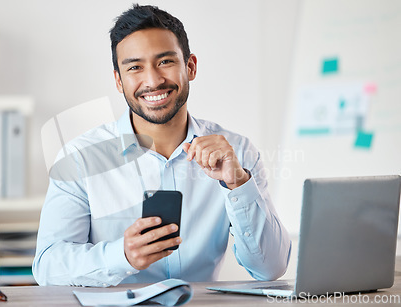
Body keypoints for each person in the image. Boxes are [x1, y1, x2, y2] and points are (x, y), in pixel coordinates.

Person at [33, 4, 291, 287]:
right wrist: (122, 256)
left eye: (165, 62)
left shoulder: (237, 153)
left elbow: (271, 268)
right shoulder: (80, 159)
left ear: (190, 67)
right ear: (119, 80)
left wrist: (239, 184)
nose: (153, 81)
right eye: (135, 67)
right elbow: (47, 266)